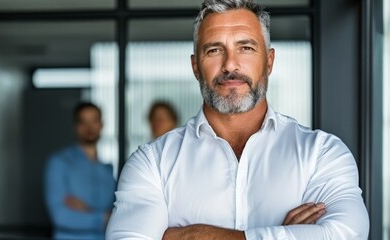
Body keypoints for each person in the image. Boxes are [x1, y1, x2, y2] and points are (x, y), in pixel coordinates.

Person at [106, 0, 369, 239]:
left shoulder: (322, 154)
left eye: (245, 47)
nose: (230, 65)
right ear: (195, 66)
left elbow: (346, 233)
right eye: (213, 50)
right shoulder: (152, 163)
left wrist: (194, 235)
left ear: (268, 61)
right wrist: (286, 234)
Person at [44, 102, 116, 240]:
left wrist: (88, 211)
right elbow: (61, 217)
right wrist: (104, 217)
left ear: (101, 125)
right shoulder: (59, 162)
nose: (89, 127)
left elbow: (121, 213)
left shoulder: (107, 170)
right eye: (83, 122)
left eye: (94, 121)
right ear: (76, 127)